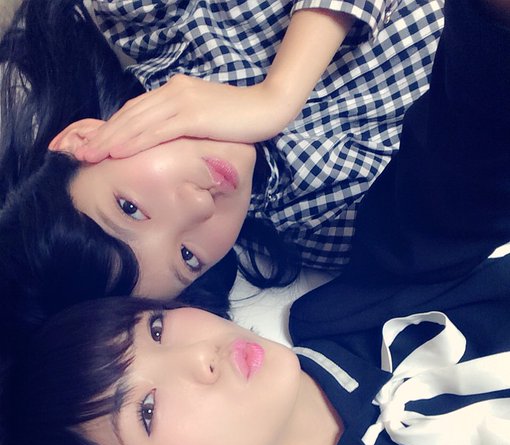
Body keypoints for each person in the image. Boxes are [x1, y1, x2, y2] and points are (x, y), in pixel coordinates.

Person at [3, 0, 509, 445]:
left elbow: (469, 137)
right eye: (146, 410)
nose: (198, 357)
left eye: (157, 328)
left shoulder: (367, 292)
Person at [0, 0, 443, 342]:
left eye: (130, 208)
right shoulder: (335, 223)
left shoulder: (151, 18)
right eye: (187, 257)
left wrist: (276, 97)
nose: (199, 206)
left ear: (81, 140)